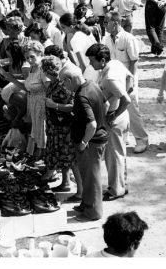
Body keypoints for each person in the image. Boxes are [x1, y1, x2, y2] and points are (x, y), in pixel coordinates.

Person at [86, 43, 132, 201]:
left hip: (115, 118)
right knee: (120, 153)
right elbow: (130, 80)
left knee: (114, 156)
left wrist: (113, 115)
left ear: (103, 60)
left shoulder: (110, 77)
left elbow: (126, 100)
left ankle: (116, 190)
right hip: (122, 116)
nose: (90, 64)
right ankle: (121, 185)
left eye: (93, 60)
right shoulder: (116, 64)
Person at [65, 65, 109, 221]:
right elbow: (106, 104)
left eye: (65, 83)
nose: (65, 87)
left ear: (70, 79)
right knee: (87, 176)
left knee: (92, 179)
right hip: (97, 139)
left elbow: (92, 125)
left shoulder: (81, 95)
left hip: (91, 143)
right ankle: (86, 204)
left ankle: (93, 213)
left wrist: (84, 141)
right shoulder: (91, 84)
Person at [102, 11, 149, 154]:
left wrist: (131, 83)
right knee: (117, 107)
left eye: (106, 22)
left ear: (115, 23)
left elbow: (134, 61)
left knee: (132, 108)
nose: (104, 25)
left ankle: (142, 139)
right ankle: (125, 135)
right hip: (115, 79)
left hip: (128, 79)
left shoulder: (129, 39)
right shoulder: (107, 39)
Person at [0, 41, 49, 157]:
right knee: (35, 133)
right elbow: (27, 88)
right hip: (33, 104)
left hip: (41, 107)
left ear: (40, 54)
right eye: (27, 57)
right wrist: (8, 77)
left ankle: (43, 160)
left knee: (41, 133)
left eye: (32, 57)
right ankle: (36, 158)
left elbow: (49, 89)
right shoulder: (32, 68)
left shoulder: (43, 70)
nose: (29, 60)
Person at [40, 55, 76, 192]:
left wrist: (54, 105)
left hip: (63, 127)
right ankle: (65, 181)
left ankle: (67, 182)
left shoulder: (63, 84)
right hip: (54, 126)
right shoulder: (54, 83)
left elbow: (72, 106)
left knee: (65, 155)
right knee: (61, 155)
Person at [59, 12, 96, 77]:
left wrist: (79, 79)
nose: (62, 30)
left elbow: (83, 65)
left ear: (71, 27)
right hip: (94, 70)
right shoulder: (83, 32)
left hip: (88, 73)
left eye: (63, 27)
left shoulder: (75, 40)